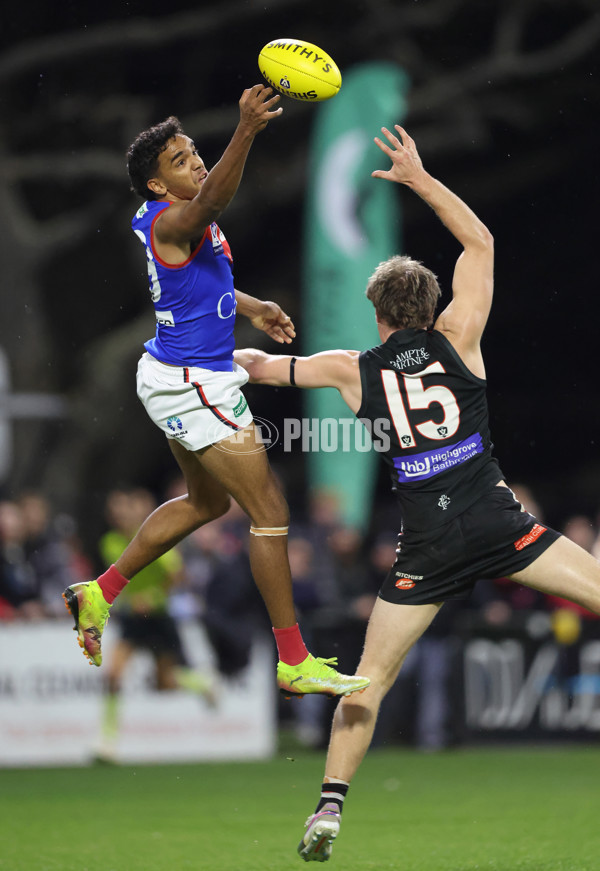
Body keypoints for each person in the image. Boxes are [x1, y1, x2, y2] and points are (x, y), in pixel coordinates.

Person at [233, 124, 600, 861]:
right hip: (500, 526)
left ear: (377, 312)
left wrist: (207, 337)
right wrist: (420, 180)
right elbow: (483, 244)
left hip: (426, 549)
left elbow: (259, 369)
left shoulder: (349, 367)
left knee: (366, 684)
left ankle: (328, 812)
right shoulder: (461, 334)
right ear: (429, 307)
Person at [62, 84, 369, 701]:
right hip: (195, 383)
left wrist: (251, 307)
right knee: (271, 514)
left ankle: (101, 592)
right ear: (156, 186)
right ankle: (292, 660)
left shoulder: (190, 221)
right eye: (179, 161)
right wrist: (247, 130)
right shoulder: (174, 220)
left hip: (181, 371)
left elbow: (205, 280)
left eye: (193, 151)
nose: (196, 162)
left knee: (207, 506)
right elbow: (209, 203)